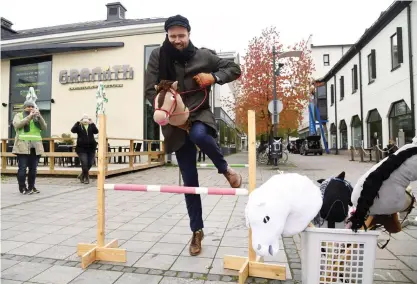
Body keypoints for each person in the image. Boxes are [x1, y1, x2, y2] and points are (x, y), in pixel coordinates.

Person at [145, 14, 242, 256]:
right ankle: (196, 231)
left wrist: (214, 77)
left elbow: (234, 68)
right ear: (167, 35)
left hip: (199, 113)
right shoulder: (158, 56)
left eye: (182, 35)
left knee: (200, 136)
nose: (177, 40)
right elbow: (149, 89)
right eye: (173, 36)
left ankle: (225, 169)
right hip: (174, 121)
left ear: (189, 34)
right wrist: (165, 109)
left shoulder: (204, 55)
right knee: (190, 181)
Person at [12, 100, 47, 195]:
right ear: (24, 108)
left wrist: (39, 117)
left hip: (35, 147)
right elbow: (17, 125)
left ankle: (31, 187)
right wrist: (29, 116)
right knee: (22, 168)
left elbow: (44, 128)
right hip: (22, 147)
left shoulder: (37, 117)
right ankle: (22, 187)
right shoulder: (18, 115)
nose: (30, 108)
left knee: (33, 169)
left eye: (32, 106)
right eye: (28, 106)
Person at [71, 114, 98, 184]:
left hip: (91, 148)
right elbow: (72, 130)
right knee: (84, 163)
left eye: (87, 119)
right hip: (81, 148)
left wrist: (92, 123)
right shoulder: (79, 126)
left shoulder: (91, 126)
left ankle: (81, 175)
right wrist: (77, 123)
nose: (85, 121)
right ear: (82, 120)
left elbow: (96, 131)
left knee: (90, 163)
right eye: (84, 120)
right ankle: (86, 178)